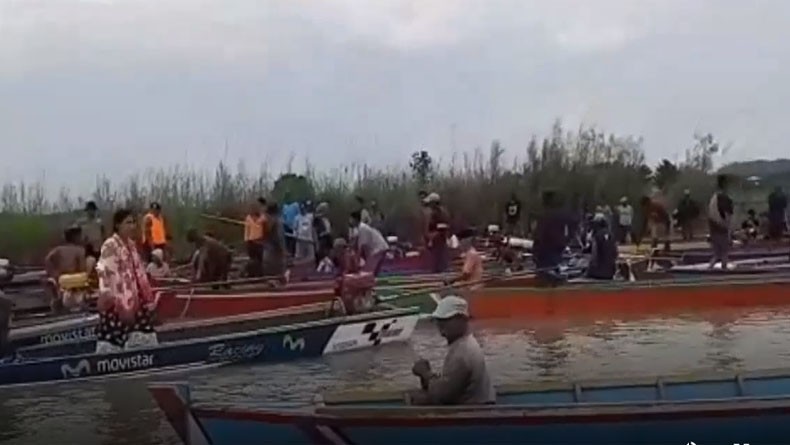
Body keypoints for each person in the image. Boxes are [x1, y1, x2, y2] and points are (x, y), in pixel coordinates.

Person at [408, 296, 496, 405]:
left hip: (474, 409)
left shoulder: (463, 352)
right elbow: (448, 385)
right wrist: (427, 376)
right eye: (438, 321)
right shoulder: (462, 344)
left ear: (462, 319)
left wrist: (425, 373)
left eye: (446, 320)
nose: (440, 326)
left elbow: (442, 395)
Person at [96, 209, 158, 353]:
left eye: (133, 223)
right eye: (128, 223)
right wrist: (122, 304)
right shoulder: (110, 245)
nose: (132, 226)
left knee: (143, 335)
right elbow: (109, 276)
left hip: (135, 300)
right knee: (113, 340)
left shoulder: (131, 246)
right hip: (116, 302)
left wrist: (148, 300)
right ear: (118, 225)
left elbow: (140, 274)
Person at [44, 225, 89, 312]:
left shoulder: (58, 249)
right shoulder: (79, 250)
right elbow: (82, 268)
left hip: (61, 279)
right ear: (75, 237)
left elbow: (47, 259)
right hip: (74, 281)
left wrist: (53, 273)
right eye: (79, 235)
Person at [532, 190, 569, 285]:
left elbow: (539, 234)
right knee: (555, 273)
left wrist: (535, 250)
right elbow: (565, 232)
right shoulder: (561, 215)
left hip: (545, 250)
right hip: (557, 249)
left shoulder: (543, 216)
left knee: (544, 276)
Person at [349, 210, 389, 275]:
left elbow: (362, 246)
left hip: (378, 249)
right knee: (372, 272)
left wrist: (357, 260)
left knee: (368, 272)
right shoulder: (359, 229)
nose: (350, 221)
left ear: (355, 219)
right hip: (379, 248)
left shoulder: (362, 228)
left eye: (351, 219)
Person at [707, 174, 734, 269]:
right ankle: (723, 270)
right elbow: (727, 216)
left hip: (713, 229)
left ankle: (710, 269)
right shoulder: (725, 198)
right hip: (722, 229)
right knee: (724, 253)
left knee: (717, 254)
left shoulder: (714, 198)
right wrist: (729, 232)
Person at [424, 192, 451, 273]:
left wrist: (431, 239)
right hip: (436, 242)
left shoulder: (440, 213)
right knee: (436, 263)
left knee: (439, 264)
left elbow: (442, 229)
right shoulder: (435, 213)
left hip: (438, 242)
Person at [586, 214, 618, 280]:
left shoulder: (597, 235)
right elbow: (615, 252)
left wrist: (590, 268)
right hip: (610, 271)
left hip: (598, 273)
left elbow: (594, 254)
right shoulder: (611, 235)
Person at [262, 203, 287, 279]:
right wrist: (283, 251)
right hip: (276, 256)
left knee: (269, 278)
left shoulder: (265, 221)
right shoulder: (277, 222)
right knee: (277, 278)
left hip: (267, 253)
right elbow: (280, 238)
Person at [243, 197, 267, 277]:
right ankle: (252, 274)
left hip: (260, 242)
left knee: (260, 259)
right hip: (251, 241)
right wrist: (246, 240)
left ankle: (260, 275)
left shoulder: (263, 217)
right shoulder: (248, 218)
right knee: (252, 259)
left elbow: (265, 230)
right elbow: (247, 230)